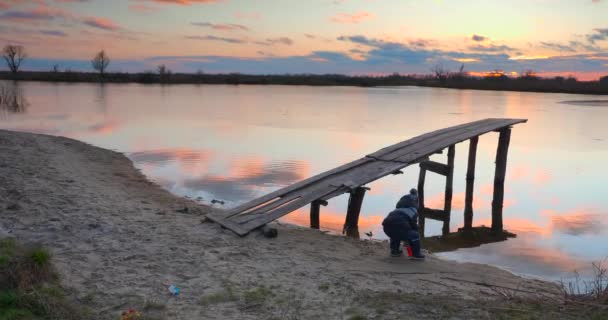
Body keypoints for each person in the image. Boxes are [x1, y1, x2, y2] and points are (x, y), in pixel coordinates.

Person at [382, 188, 425, 259]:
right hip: (399, 228)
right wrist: (416, 230)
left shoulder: (395, 210)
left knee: (395, 231)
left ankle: (394, 251)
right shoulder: (412, 211)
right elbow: (414, 226)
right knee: (415, 235)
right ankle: (416, 254)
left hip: (386, 229)